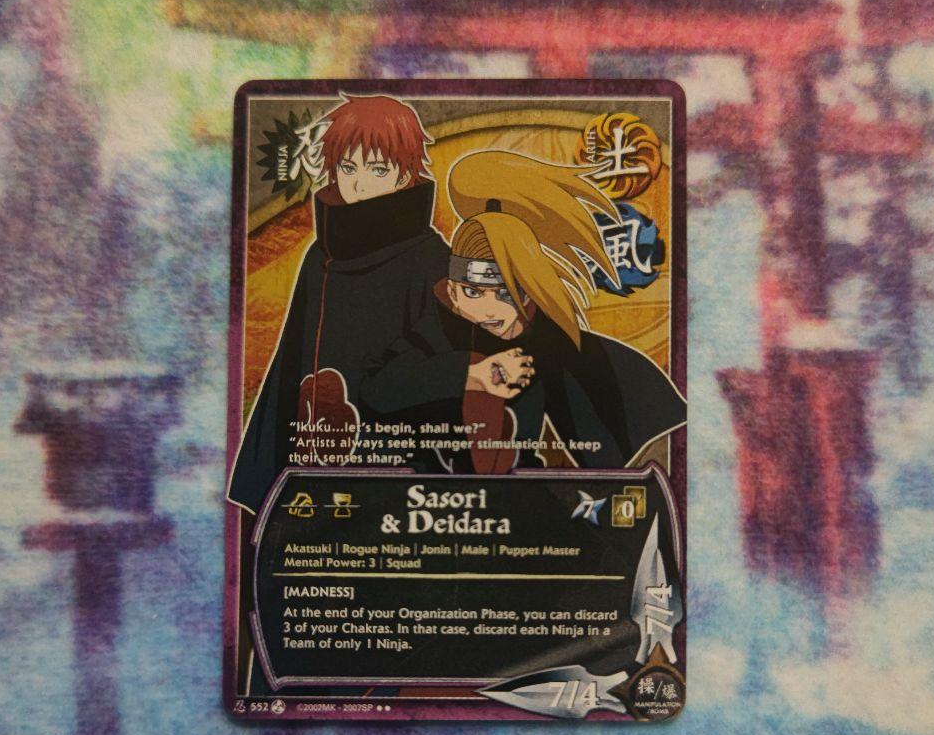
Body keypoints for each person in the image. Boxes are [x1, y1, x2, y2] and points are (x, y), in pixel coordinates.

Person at [361, 150, 686, 474]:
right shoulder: (434, 333)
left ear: (529, 291)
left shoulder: (557, 346)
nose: (489, 309)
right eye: (473, 293)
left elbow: (643, 440)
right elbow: (378, 389)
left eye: (507, 294)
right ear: (453, 292)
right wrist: (472, 374)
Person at [228, 95, 450, 513]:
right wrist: (262, 478)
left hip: (403, 468)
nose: (359, 185)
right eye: (348, 168)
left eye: (378, 169)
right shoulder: (320, 255)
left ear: (406, 174)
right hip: (317, 453)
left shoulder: (431, 259)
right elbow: (287, 368)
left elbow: (441, 369)